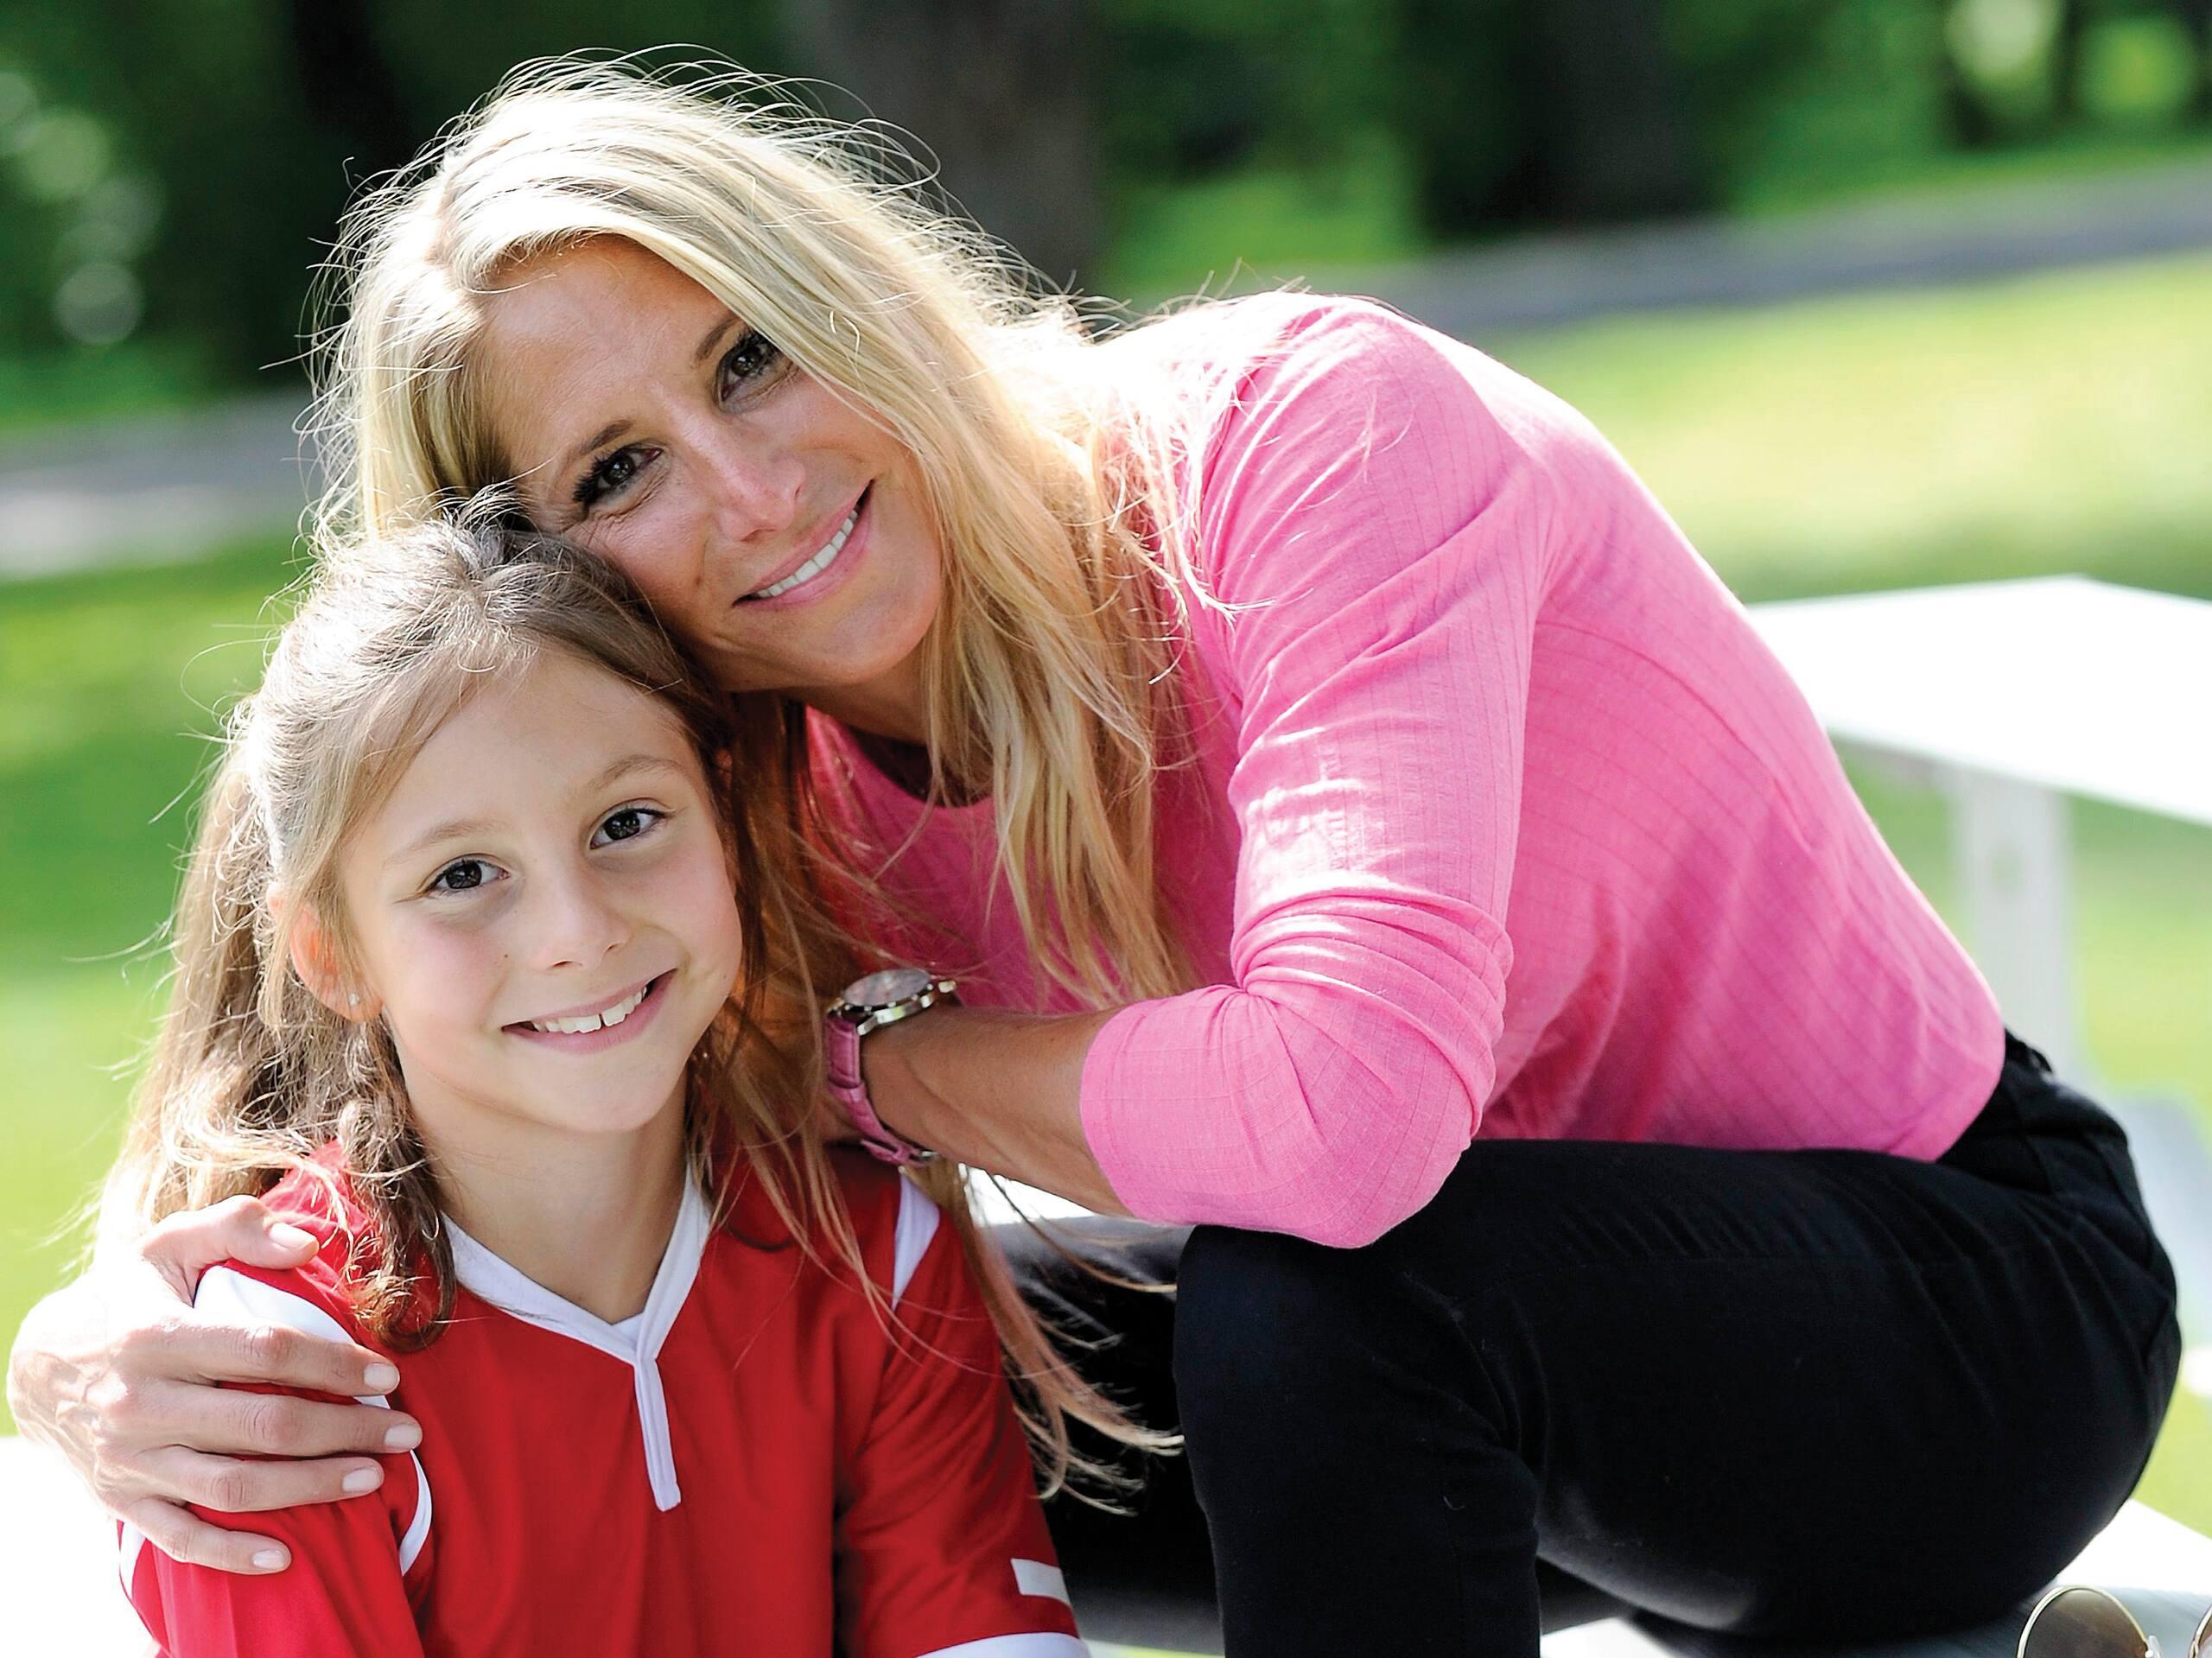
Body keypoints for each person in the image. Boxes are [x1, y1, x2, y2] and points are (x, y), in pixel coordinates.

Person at [10, 59, 2182, 1657]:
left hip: (1949, 1311)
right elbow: (356, 1044)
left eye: (753, 356)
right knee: (823, 1358)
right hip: (1475, 1420)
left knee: (1326, 1294)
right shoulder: (712, 763)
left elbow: (1342, 1133)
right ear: (541, 565)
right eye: (617, 471)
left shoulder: (1307, 439)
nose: (752, 492)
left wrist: (867, 1064)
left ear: (849, 291)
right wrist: (107, 1335)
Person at [101, 518, 1096, 1655]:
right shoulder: (276, 1370)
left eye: (627, 823)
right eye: (463, 874)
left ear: (726, 822)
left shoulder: (874, 1252)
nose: (577, 933)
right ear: (333, 955)